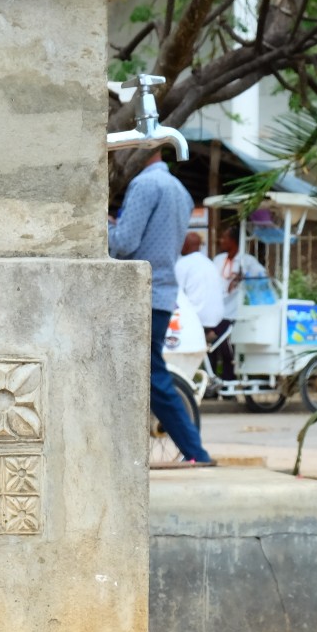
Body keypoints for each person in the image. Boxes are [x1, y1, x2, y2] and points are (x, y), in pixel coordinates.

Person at [108, 156, 212, 464]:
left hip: (140, 296)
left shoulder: (144, 184)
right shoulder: (180, 190)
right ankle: (192, 450)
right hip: (163, 295)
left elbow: (125, 242)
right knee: (147, 375)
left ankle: (196, 451)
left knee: (151, 376)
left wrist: (97, 225)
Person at [174, 232, 233, 381]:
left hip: (196, 319)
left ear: (186, 245)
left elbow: (176, 294)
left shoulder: (182, 264)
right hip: (218, 318)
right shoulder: (209, 263)